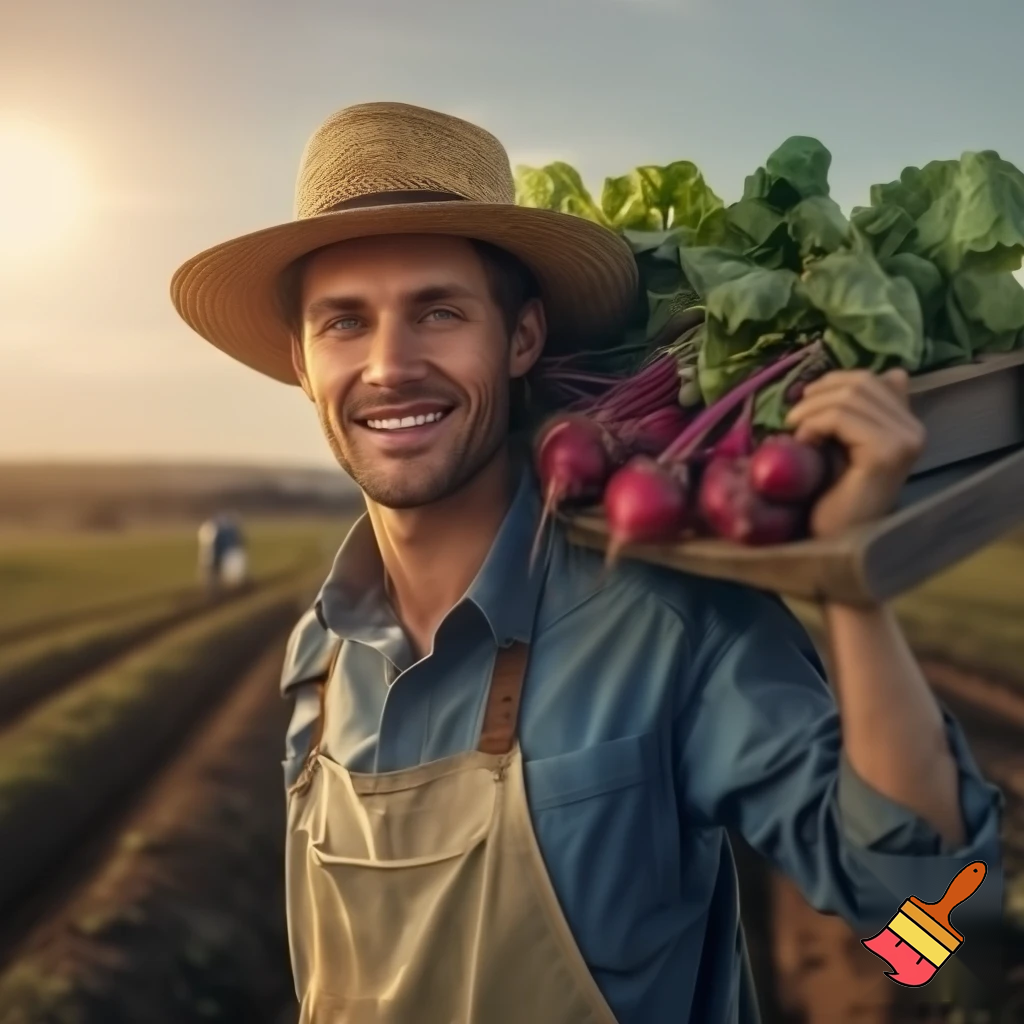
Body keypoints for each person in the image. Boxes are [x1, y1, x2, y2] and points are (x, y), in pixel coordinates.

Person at [171, 102, 1002, 1024]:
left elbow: (929, 931)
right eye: (344, 324)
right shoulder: (319, 661)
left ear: (521, 338)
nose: (389, 364)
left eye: (438, 311)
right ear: (301, 361)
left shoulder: (661, 625)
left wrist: (851, 580)